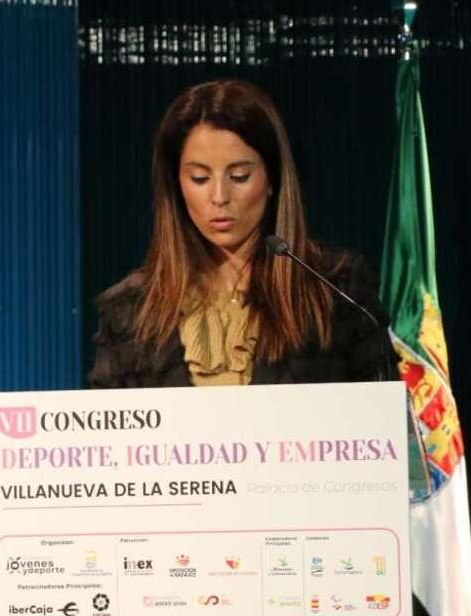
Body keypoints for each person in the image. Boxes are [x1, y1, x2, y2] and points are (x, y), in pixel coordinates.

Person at [88, 78, 394, 388]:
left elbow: (387, 423)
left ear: (272, 179)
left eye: (239, 176)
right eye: (199, 178)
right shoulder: (130, 310)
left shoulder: (336, 291)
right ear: (176, 185)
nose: (219, 196)